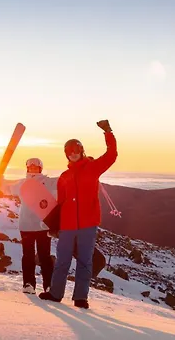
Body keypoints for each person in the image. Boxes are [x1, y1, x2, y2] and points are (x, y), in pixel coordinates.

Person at [39, 120, 117, 309]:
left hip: (88, 224)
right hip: (67, 225)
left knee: (84, 261)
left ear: (81, 150)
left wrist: (108, 132)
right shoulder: (64, 177)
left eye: (76, 150)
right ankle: (55, 293)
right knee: (62, 260)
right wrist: (55, 225)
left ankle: (81, 297)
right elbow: (61, 203)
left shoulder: (92, 168)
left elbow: (111, 155)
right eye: (69, 151)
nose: (73, 153)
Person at [0, 158, 57, 294]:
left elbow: (65, 181)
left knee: (44, 256)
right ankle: (28, 284)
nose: (32, 169)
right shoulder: (22, 183)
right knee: (28, 256)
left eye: (35, 167)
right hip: (26, 225)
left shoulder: (48, 182)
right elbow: (6, 188)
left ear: (40, 168)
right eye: (30, 167)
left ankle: (49, 286)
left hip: (43, 225)